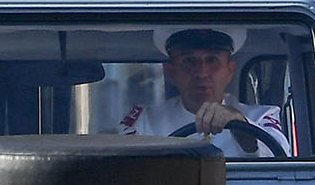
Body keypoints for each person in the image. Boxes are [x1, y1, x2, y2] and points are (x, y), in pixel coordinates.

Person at [118, 28, 285, 158]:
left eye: (212, 60)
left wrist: (242, 127)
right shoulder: (144, 121)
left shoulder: (261, 117)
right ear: (171, 72)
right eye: (189, 61)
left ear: (229, 70)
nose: (202, 72)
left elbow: (284, 165)